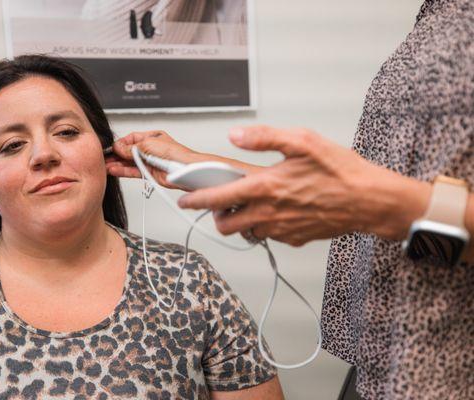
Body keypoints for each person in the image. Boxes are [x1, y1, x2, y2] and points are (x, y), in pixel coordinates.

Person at [106, 0, 474, 399]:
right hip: (394, 354)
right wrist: (203, 167)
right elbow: (402, 189)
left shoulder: (189, 281)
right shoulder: (438, 16)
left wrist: (377, 208)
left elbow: (389, 201)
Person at [0, 55, 283, 399]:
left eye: (66, 132)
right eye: (12, 145)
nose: (44, 154)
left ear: (105, 149)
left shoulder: (188, 282)